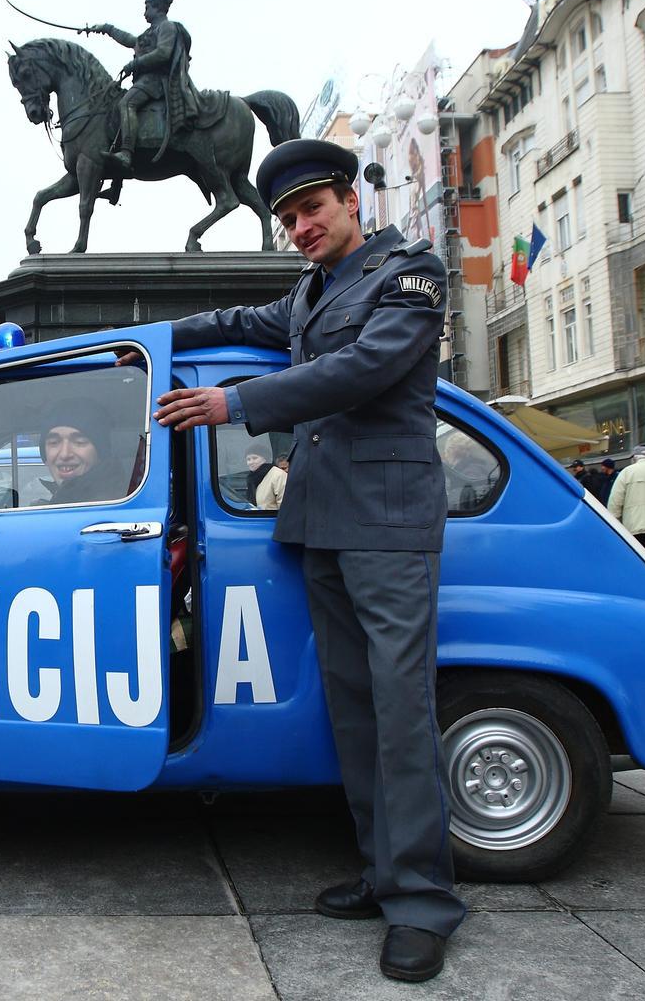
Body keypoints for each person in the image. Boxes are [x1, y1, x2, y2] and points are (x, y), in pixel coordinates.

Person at [137, 138, 463, 981]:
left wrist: (234, 402)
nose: (301, 228)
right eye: (287, 218)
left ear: (351, 199)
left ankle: (421, 903)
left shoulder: (410, 273)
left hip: (387, 526)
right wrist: (145, 337)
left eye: (312, 209)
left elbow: (363, 369)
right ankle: (382, 871)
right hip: (319, 522)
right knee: (353, 714)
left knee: (401, 714)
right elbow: (237, 324)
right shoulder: (310, 293)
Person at [88, 0, 201, 172]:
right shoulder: (150, 32)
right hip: (146, 81)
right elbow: (131, 40)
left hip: (157, 81)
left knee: (126, 103)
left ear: (158, 7)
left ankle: (126, 153)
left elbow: (163, 53)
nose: (144, 12)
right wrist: (107, 29)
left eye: (147, 7)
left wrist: (135, 64)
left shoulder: (167, 27)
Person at [38, 407, 132, 506]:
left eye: (79, 442)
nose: (64, 454)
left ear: (101, 452)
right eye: (54, 442)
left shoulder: (109, 504)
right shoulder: (61, 499)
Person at [607, 449, 645, 563]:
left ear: (635, 458)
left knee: (637, 561)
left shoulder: (626, 472)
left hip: (632, 526)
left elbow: (615, 500)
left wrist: (614, 523)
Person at [244, 446, 285, 510]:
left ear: (265, 459)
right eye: (248, 459)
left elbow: (285, 505)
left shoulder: (278, 475)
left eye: (255, 458)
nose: (251, 462)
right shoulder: (251, 479)